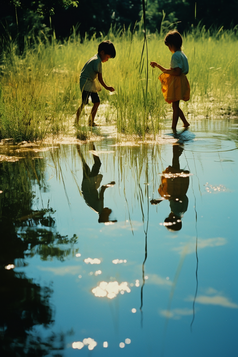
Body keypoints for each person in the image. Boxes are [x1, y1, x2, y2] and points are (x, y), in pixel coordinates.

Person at [150, 30, 190, 131]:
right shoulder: (182, 54)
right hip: (182, 80)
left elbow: (176, 71)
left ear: (172, 44)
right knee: (175, 105)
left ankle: (173, 128)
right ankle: (185, 122)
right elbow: (182, 70)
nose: (169, 49)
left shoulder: (175, 55)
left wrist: (161, 68)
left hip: (177, 82)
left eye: (168, 46)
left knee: (175, 105)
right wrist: (160, 67)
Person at [76, 40, 116, 127]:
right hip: (86, 83)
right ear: (102, 52)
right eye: (107, 57)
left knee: (97, 102)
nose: (107, 60)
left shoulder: (96, 58)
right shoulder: (97, 61)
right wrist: (107, 87)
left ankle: (91, 122)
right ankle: (76, 121)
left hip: (90, 82)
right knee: (84, 103)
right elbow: (100, 78)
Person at [150, 144, 190, 231]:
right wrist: (159, 200)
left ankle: (177, 150)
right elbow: (173, 198)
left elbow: (185, 199)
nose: (169, 215)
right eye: (169, 218)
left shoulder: (183, 211)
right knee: (174, 167)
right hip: (175, 187)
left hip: (181, 188)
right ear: (173, 219)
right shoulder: (175, 210)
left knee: (175, 165)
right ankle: (176, 147)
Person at [77, 143, 117, 224]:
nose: (108, 214)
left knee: (98, 163)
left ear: (103, 215)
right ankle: (78, 146)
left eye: (107, 216)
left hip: (89, 185)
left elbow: (102, 188)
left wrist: (110, 184)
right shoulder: (97, 210)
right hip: (85, 187)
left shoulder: (99, 208)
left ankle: (91, 144)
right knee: (85, 165)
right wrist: (111, 221)